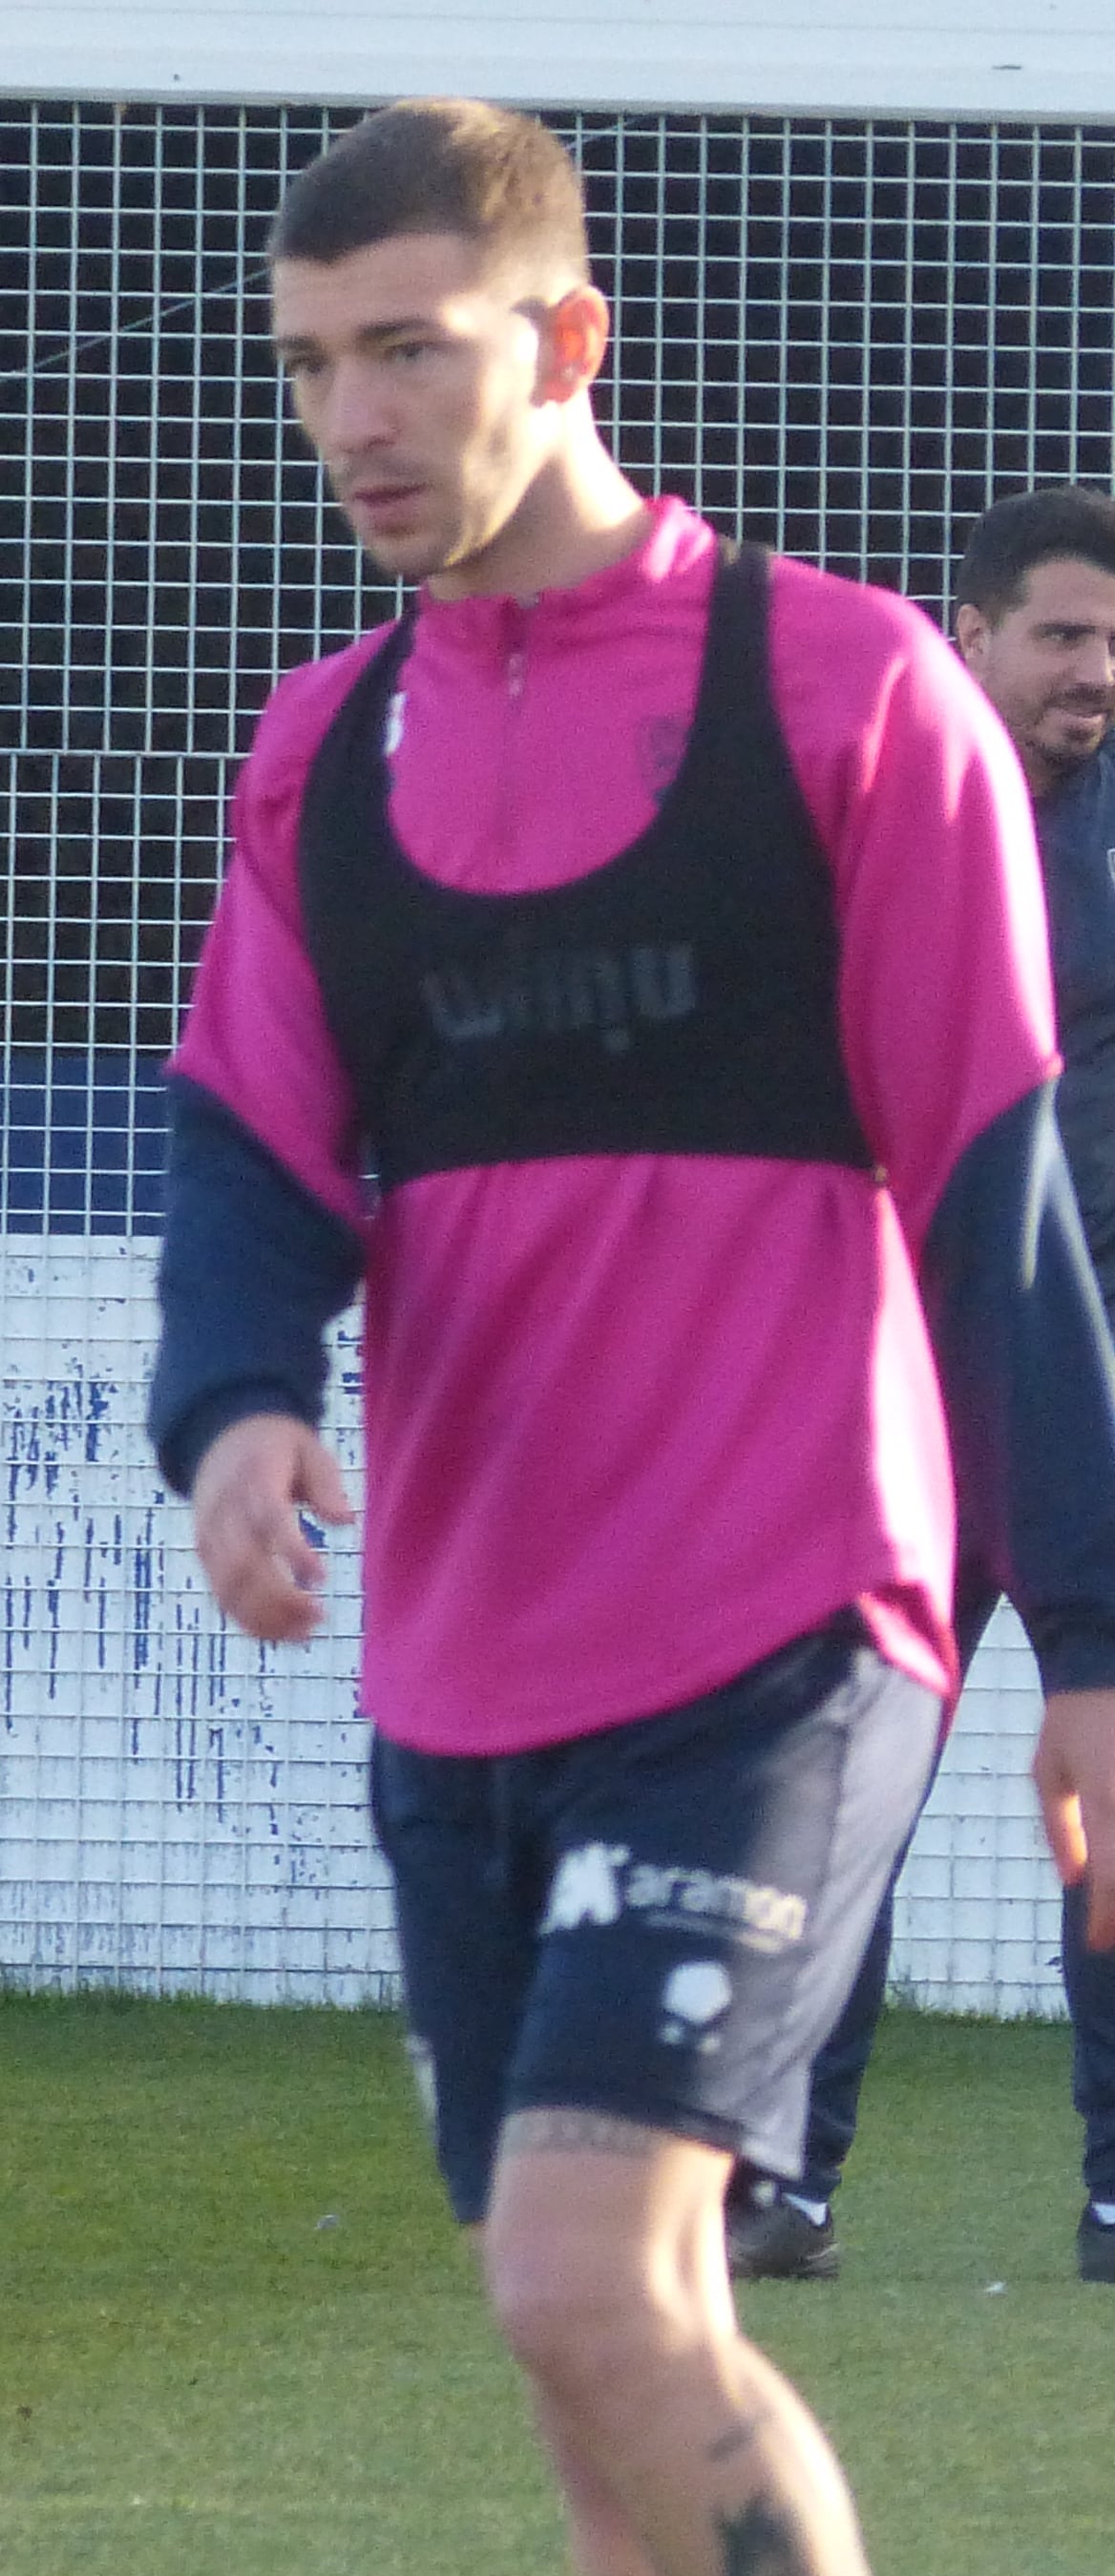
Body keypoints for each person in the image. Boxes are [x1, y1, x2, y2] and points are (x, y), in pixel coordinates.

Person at [153, 101, 1104, 2576]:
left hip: (773, 1611)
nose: (352, 417)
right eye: (307, 366)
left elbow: (992, 1198)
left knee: (585, 2279)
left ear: (565, 342)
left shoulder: (845, 695)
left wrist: (1081, 1636)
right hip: (464, 1657)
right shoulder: (315, 750)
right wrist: (226, 1422)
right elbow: (247, 1167)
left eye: (407, 348)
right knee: (592, 2363)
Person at [722, 486, 1115, 2292]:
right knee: (848, 1781)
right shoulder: (879, 826)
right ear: (968, 638)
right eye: (1062, 636)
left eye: (1112, 643)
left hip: (1096, 1395)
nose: (1095, 674)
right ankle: (784, 2174)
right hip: (919, 1389)